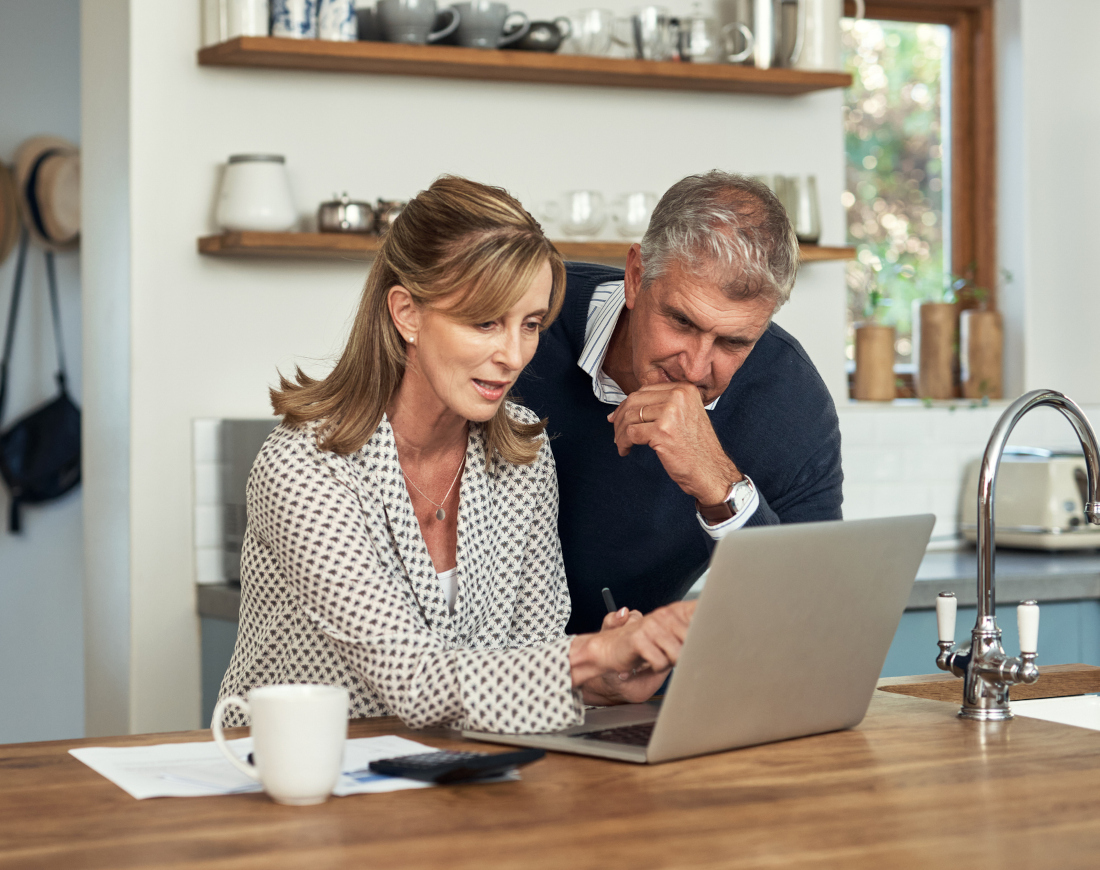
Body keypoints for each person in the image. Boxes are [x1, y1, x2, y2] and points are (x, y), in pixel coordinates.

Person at [217, 176, 694, 734]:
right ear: (407, 313)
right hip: (299, 781)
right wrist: (594, 655)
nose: (514, 355)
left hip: (454, 780)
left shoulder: (522, 458)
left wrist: (599, 685)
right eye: (484, 321)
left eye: (531, 324)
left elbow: (528, 653)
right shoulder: (304, 468)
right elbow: (414, 680)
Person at [515, 171, 844, 635]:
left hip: (634, 683)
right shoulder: (526, 323)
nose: (694, 368)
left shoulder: (792, 403)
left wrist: (720, 488)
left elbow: (811, 618)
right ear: (635, 276)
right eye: (682, 322)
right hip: (479, 673)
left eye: (733, 342)